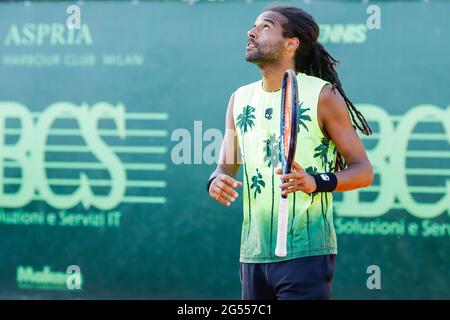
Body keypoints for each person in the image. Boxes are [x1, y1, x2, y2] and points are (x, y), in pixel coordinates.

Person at [206, 5, 374, 300]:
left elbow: (363, 171)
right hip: (253, 255)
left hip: (306, 255)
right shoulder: (239, 99)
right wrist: (216, 180)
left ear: (291, 43)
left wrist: (315, 182)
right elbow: (225, 167)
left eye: (266, 27)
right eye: (254, 26)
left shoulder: (323, 95)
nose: (252, 31)